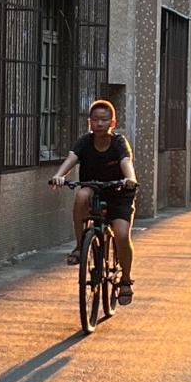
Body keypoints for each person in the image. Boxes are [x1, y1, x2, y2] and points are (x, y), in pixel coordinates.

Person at [49, 100, 138, 305]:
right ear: (89, 122)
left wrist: (130, 179)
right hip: (93, 188)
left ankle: (125, 279)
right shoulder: (84, 142)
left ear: (112, 123)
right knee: (81, 195)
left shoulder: (119, 142)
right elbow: (71, 158)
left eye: (104, 120)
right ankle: (80, 245)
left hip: (118, 192)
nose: (99, 123)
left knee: (122, 234)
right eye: (95, 119)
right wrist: (59, 176)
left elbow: (126, 162)